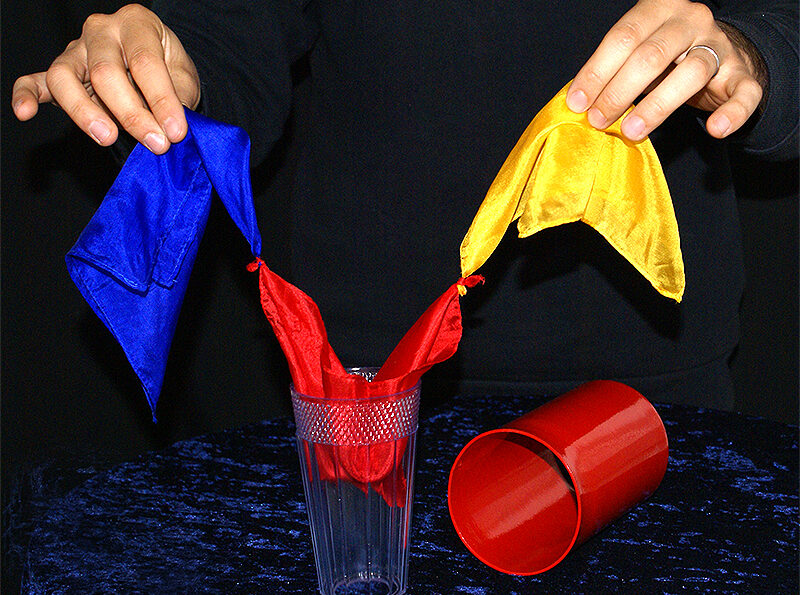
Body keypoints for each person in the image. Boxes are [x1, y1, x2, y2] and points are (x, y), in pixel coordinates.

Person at [12, 0, 798, 409]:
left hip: (655, 382)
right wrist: (160, 68)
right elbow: (230, 40)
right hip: (371, 389)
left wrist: (755, 52)